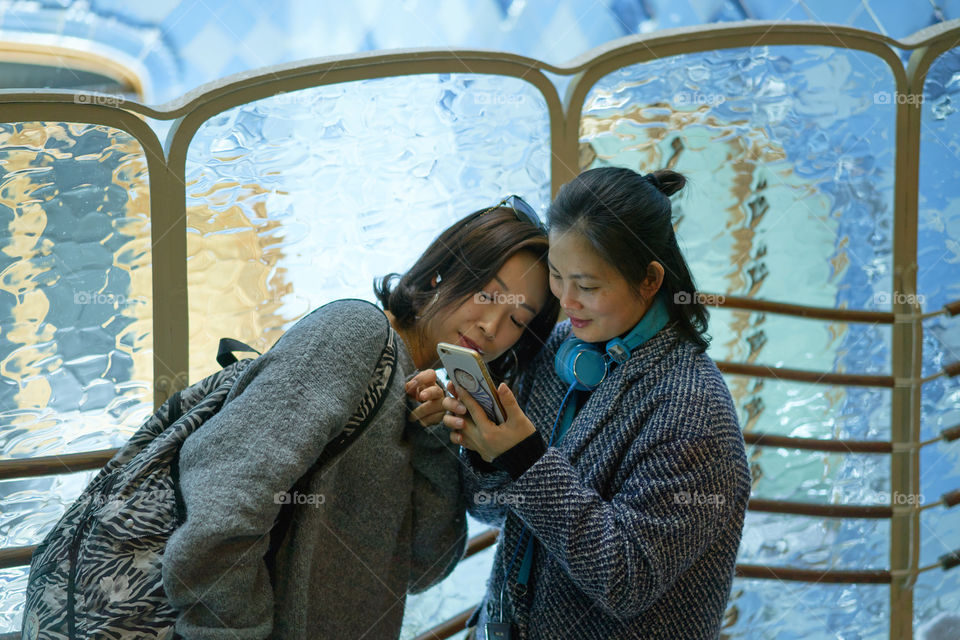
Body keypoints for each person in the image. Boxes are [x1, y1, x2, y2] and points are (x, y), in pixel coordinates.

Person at [160, 199, 559, 640]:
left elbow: (424, 569)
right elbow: (222, 507)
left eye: (517, 320)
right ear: (440, 272)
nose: (490, 326)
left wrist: (433, 438)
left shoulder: (425, 401)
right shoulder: (357, 336)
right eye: (487, 294)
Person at [429, 167, 751, 639]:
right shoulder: (565, 346)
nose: (566, 300)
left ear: (649, 281)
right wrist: (484, 447)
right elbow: (494, 511)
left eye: (588, 286)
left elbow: (625, 580)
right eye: (557, 277)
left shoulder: (694, 414)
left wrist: (525, 456)